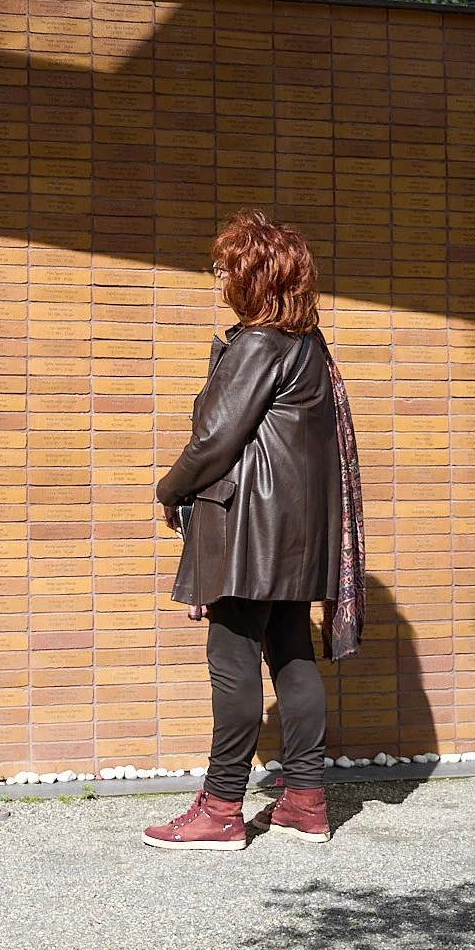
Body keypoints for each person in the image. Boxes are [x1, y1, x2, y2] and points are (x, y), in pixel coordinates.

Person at [141, 209, 365, 851]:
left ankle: (220, 810)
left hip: (249, 530)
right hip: (297, 532)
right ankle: (305, 802)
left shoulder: (260, 343)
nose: (217, 276)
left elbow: (214, 440)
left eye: (225, 267)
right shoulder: (308, 345)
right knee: (292, 654)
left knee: (232, 661)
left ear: (254, 276)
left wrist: (169, 489)